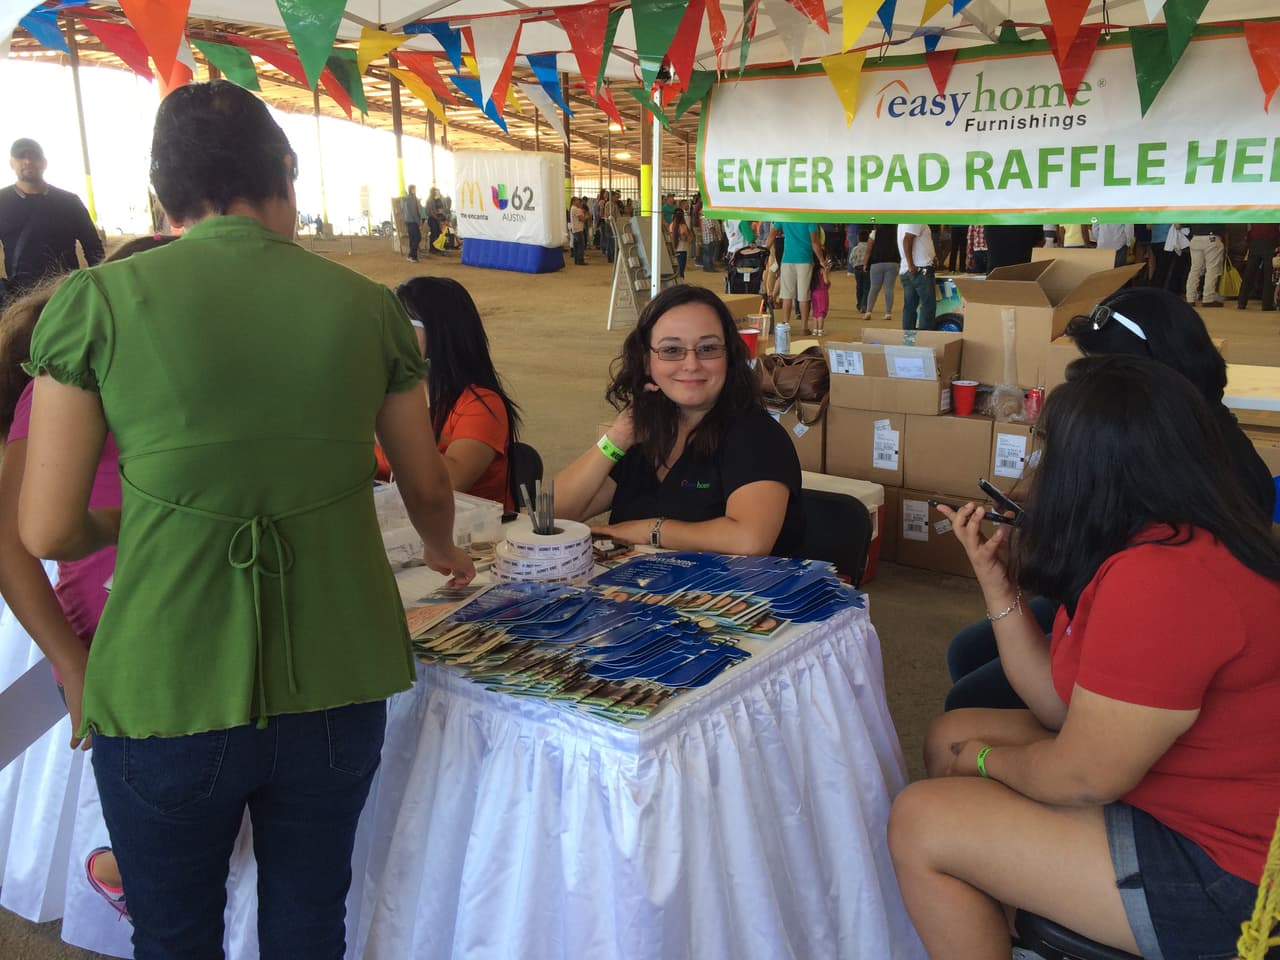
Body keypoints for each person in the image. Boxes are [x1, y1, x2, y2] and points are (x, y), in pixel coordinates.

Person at [17, 81, 473, 957]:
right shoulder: (368, 306)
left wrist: (137, 525)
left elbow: (46, 530)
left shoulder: (96, 304)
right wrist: (446, 550)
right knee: (308, 923)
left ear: (161, 195)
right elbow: (426, 489)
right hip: (336, 681)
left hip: (163, 682)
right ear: (286, 177)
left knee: (175, 932)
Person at [890, 354, 1280, 960]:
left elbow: (1084, 776)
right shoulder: (1153, 540)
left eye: (1048, 454)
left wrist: (990, 761)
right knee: (950, 733)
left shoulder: (1163, 579)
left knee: (920, 820)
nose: (1038, 471)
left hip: (1232, 877)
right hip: (1188, 802)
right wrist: (998, 585)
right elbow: (1055, 701)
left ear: (1090, 470)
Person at [943, 287, 1276, 713]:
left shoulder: (1217, 476)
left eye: (1103, 377)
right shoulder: (1155, 441)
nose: (1090, 392)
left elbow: (1147, 591)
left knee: (969, 702)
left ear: (1153, 377)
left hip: (1140, 621)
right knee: (968, 652)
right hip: (1106, 595)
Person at [0, 235, 176, 921]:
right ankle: (128, 874)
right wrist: (70, 664)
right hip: (117, 620)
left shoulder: (167, 375)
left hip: (168, 603)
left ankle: (136, 872)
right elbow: (13, 543)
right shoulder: (62, 386)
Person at [554, 284, 804, 557]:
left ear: (729, 357)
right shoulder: (645, 431)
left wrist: (649, 531)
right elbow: (557, 512)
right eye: (671, 350)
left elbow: (749, 541)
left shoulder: (756, 436)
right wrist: (617, 438)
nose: (691, 364)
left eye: (708, 348)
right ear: (647, 362)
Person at [395, 276, 520, 511]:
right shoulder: (389, 396)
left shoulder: (480, 405)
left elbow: (449, 482)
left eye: (404, 324)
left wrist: (380, 421)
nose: (393, 336)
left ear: (443, 333)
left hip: (473, 539)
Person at [0, 139, 104, 304]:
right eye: (21, 156)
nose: (28, 161)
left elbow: (93, 248)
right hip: (21, 302)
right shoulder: (2, 202)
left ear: (44, 163)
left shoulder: (69, 202)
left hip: (68, 295)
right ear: (11, 163)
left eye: (34, 156)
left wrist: (100, 287)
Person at [766, 219, 825, 335]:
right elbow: (815, 242)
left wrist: (764, 250)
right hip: (804, 259)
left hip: (787, 258)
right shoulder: (810, 219)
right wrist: (822, 260)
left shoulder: (784, 216)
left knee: (787, 294)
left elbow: (772, 236)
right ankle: (804, 327)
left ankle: (785, 324)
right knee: (804, 295)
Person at [898, 223, 936, 331]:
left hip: (907, 269)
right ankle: (924, 339)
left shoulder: (903, 221)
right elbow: (907, 240)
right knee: (928, 306)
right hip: (919, 268)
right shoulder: (915, 219)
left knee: (909, 306)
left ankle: (908, 339)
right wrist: (911, 265)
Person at [1238, 221, 1278, 311]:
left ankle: (1242, 302)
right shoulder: (1274, 209)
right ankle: (1267, 304)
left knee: (1249, 273)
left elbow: (1248, 226)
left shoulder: (1256, 209)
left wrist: (1249, 240)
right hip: (1270, 241)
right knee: (1269, 274)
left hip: (1255, 241)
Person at [863, 224, 899, 321]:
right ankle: (888, 312)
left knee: (874, 288)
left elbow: (868, 250)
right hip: (892, 262)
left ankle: (868, 311)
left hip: (876, 262)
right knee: (889, 288)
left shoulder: (874, 233)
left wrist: (865, 263)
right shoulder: (896, 232)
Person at [1185, 223, 1225, 307]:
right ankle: (1208, 298)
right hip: (1212, 237)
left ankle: (1190, 298)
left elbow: (1178, 225)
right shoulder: (1217, 209)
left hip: (1195, 238)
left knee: (1195, 269)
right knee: (1212, 269)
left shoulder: (1195, 209)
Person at [401, 184, 422, 262]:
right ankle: (412, 255)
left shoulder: (405, 199)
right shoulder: (413, 198)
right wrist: (418, 222)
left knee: (412, 239)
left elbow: (403, 211)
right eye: (414, 189)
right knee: (417, 238)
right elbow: (414, 211)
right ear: (412, 190)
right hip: (413, 221)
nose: (415, 190)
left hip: (407, 222)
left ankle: (412, 256)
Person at [670, 207, 692, 279]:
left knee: (675, 271)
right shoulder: (684, 226)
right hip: (682, 251)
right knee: (681, 272)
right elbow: (690, 239)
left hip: (673, 251)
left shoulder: (671, 226)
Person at [570, 197, 587, 265]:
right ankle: (580, 260)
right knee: (581, 246)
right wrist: (586, 216)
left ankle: (576, 260)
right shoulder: (576, 209)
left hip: (574, 229)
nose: (579, 202)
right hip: (578, 229)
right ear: (574, 201)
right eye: (577, 200)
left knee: (576, 246)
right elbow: (582, 219)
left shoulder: (572, 208)